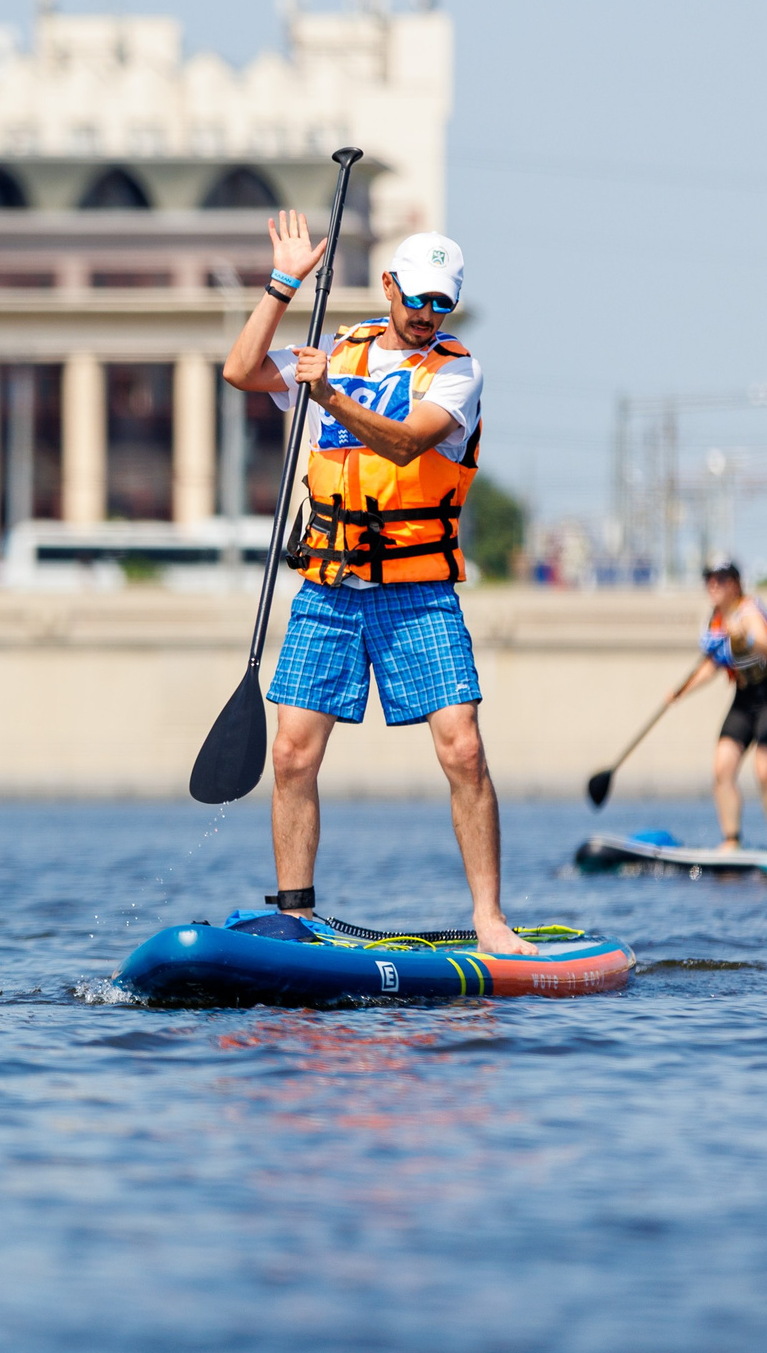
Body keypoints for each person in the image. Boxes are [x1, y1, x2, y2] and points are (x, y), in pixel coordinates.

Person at [222, 218, 534, 957]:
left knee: (462, 749)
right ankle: (295, 917)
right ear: (389, 286)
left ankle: (490, 919)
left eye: (442, 303)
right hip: (329, 585)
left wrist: (326, 395)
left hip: (418, 590)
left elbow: (402, 443)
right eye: (417, 297)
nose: (427, 314)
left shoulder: (458, 371)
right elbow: (240, 371)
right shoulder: (339, 350)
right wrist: (283, 284)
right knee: (292, 755)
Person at [668, 559, 767, 853]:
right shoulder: (714, 620)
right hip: (744, 696)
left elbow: (766, 647)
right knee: (722, 768)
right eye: (709, 579)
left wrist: (744, 638)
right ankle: (731, 840)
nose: (713, 585)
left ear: (735, 583)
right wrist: (680, 692)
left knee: (764, 771)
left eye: (721, 579)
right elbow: (711, 665)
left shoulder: (748, 612)